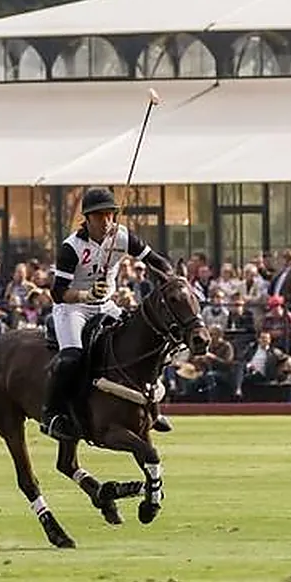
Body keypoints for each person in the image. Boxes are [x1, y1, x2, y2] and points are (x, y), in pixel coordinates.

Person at [41, 186, 174, 441]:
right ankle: (52, 414)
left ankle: (151, 408)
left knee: (144, 341)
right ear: (87, 218)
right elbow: (58, 292)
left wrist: (172, 280)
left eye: (110, 214)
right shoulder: (72, 247)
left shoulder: (122, 237)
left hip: (106, 305)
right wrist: (86, 295)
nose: (106, 221)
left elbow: (157, 261)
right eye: (99, 215)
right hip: (73, 309)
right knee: (71, 359)